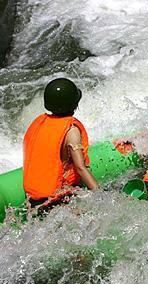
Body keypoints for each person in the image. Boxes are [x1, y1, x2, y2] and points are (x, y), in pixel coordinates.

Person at [23, 78, 98, 209]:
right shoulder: (71, 131)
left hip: (33, 199)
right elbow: (80, 168)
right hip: (58, 200)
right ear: (75, 104)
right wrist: (101, 195)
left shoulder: (40, 122)